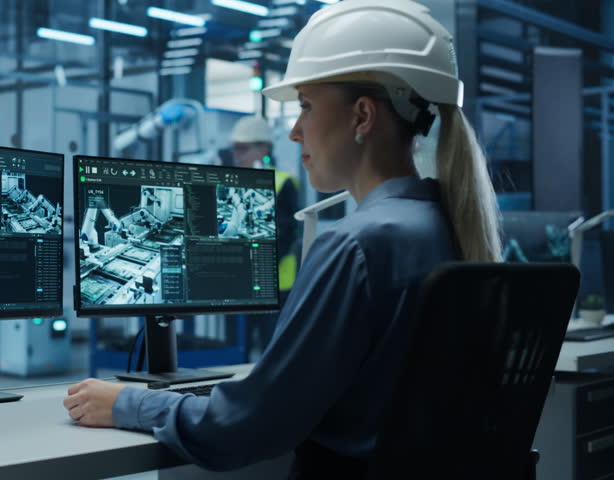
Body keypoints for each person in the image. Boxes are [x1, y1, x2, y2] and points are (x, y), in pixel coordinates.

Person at [62, 1, 501, 477]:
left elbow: (240, 430)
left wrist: (129, 403)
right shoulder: (448, 227)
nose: (294, 131)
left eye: (306, 107)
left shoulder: (358, 246)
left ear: (362, 117)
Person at [229, 115, 300, 360]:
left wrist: (253, 266)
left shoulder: (282, 182)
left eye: (243, 149)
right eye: (235, 148)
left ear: (263, 148)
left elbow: (286, 236)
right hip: (237, 287)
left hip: (276, 287)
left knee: (273, 352)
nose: (237, 155)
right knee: (237, 351)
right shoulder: (229, 181)